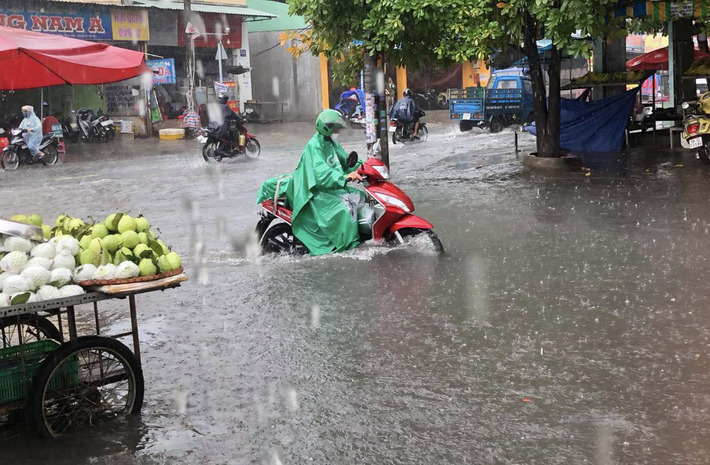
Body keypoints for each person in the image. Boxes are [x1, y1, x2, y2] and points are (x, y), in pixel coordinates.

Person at [286, 109, 364, 255]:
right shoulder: (314, 145)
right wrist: (344, 178)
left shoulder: (331, 143)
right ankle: (347, 249)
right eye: (335, 129)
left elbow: (346, 162)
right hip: (317, 192)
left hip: (332, 187)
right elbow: (321, 173)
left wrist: (365, 167)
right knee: (346, 210)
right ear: (326, 127)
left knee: (362, 198)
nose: (337, 132)